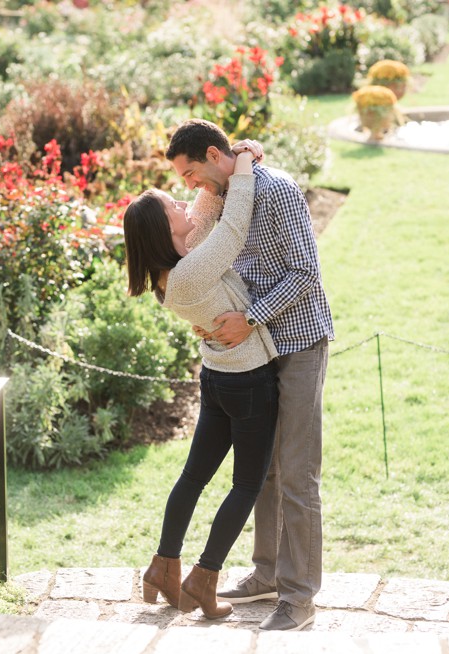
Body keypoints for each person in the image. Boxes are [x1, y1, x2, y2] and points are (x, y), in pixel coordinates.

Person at [165, 119, 334, 632]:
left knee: (298, 473)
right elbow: (192, 239)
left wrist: (251, 316)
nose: (190, 186)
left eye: (192, 173)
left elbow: (306, 273)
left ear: (216, 156)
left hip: (298, 341)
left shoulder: (277, 190)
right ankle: (266, 574)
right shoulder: (222, 196)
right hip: (251, 351)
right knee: (261, 470)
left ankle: (299, 598)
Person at [124, 146, 279, 620]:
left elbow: (207, 214)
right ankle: (203, 577)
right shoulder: (191, 271)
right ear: (162, 229)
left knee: (194, 477)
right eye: (174, 206)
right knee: (247, 484)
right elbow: (230, 229)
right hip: (247, 381)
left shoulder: (173, 271)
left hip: (217, 380)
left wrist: (215, 180)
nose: (183, 203)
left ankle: (163, 567)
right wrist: (247, 164)